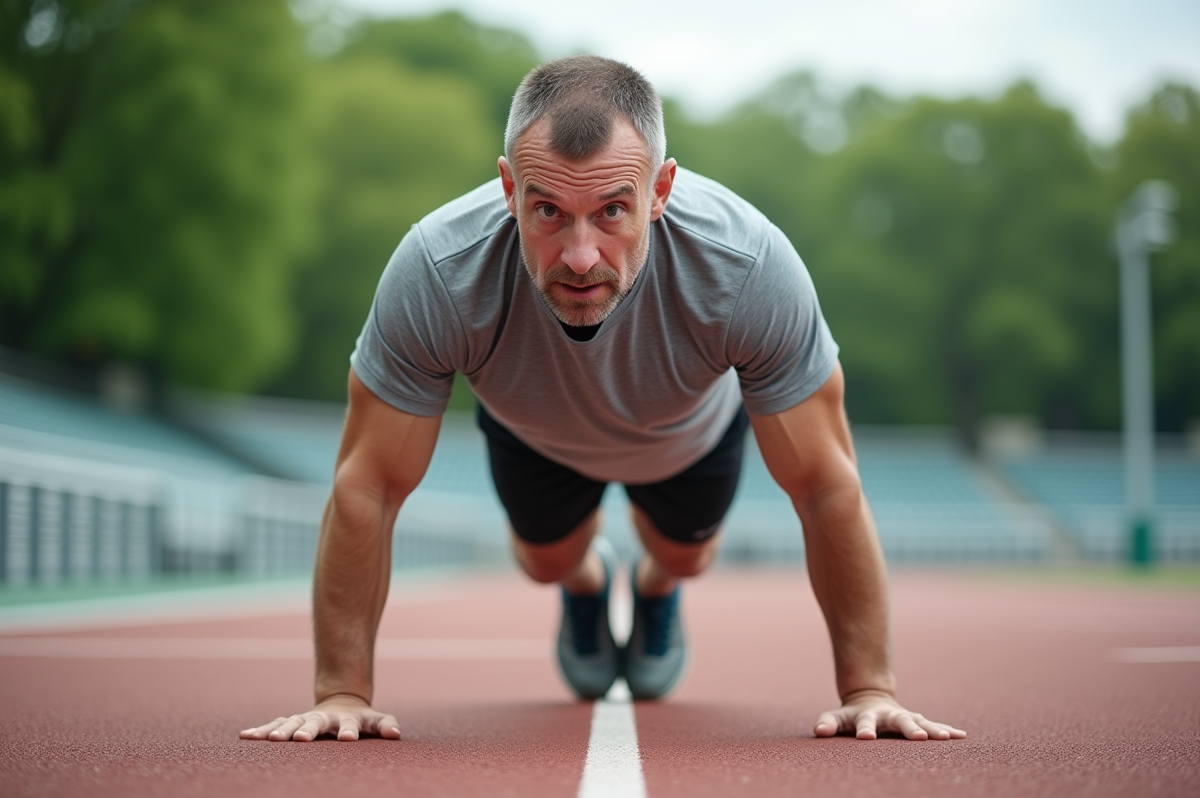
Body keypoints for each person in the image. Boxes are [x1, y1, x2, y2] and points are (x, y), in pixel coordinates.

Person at [241, 55, 965, 744]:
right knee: (546, 563)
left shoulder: (748, 268)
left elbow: (825, 483)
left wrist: (869, 689)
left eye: (613, 211)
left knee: (685, 558)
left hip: (686, 436)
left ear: (661, 190)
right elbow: (367, 486)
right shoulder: (438, 272)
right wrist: (342, 695)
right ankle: (588, 581)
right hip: (535, 433)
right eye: (548, 211)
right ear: (508, 189)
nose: (580, 256)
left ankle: (654, 584)